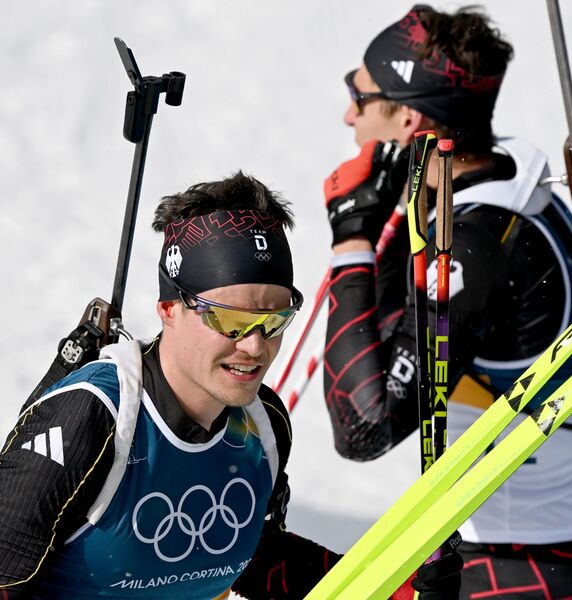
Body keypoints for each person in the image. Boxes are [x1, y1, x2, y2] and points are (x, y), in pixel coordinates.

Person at [322, 5, 572, 599]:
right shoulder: (503, 180)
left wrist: (351, 240)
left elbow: (363, 428)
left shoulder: (474, 248)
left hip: (512, 568)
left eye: (360, 95)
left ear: (408, 119)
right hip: (536, 552)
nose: (348, 113)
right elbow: (392, 332)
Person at [0, 172, 343, 599]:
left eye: (274, 320)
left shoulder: (264, 422)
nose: (255, 347)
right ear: (168, 309)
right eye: (231, 321)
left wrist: (402, 585)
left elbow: (257, 558)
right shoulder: (92, 415)